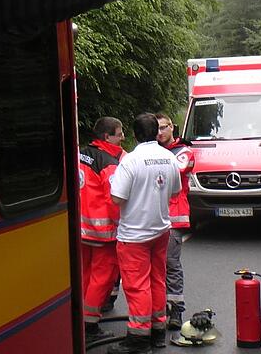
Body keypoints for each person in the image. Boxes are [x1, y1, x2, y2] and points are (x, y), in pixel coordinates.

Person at [108, 113, 183, 353]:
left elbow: (117, 197)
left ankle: (139, 339)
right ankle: (158, 330)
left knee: (137, 286)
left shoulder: (130, 161)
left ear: (135, 134)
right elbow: (175, 192)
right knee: (157, 280)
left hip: (134, 235)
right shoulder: (168, 158)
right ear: (155, 133)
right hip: (161, 230)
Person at [79, 117, 125, 344]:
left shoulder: (80, 153)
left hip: (81, 230)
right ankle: (90, 324)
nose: (123, 138)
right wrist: (123, 225)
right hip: (103, 231)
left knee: (84, 274)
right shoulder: (108, 162)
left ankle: (79, 318)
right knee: (103, 277)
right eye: (119, 134)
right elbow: (114, 199)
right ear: (107, 137)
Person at [156, 112, 194, 330]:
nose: (160, 132)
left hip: (174, 217)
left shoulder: (184, 151)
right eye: (157, 129)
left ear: (172, 127)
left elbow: (176, 171)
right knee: (156, 266)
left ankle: (176, 310)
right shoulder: (155, 151)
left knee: (171, 265)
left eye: (164, 127)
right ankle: (160, 309)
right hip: (153, 216)